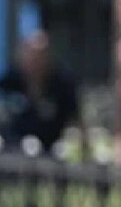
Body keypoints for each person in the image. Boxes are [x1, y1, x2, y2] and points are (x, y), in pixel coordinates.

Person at [0, 29, 84, 157]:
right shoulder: (9, 82)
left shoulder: (62, 84)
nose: (35, 62)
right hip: (12, 151)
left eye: (40, 56)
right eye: (31, 55)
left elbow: (75, 121)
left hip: (53, 152)